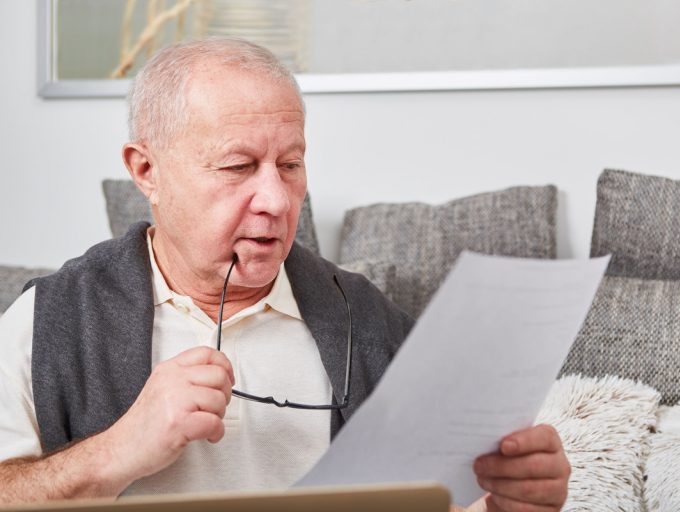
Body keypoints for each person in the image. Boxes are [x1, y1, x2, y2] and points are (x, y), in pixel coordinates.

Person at [0, 38, 570, 510]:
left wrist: (510, 505)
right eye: (238, 166)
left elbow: (449, 496)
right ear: (146, 170)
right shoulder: (50, 318)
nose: (276, 199)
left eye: (291, 165)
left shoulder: (367, 321)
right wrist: (116, 450)